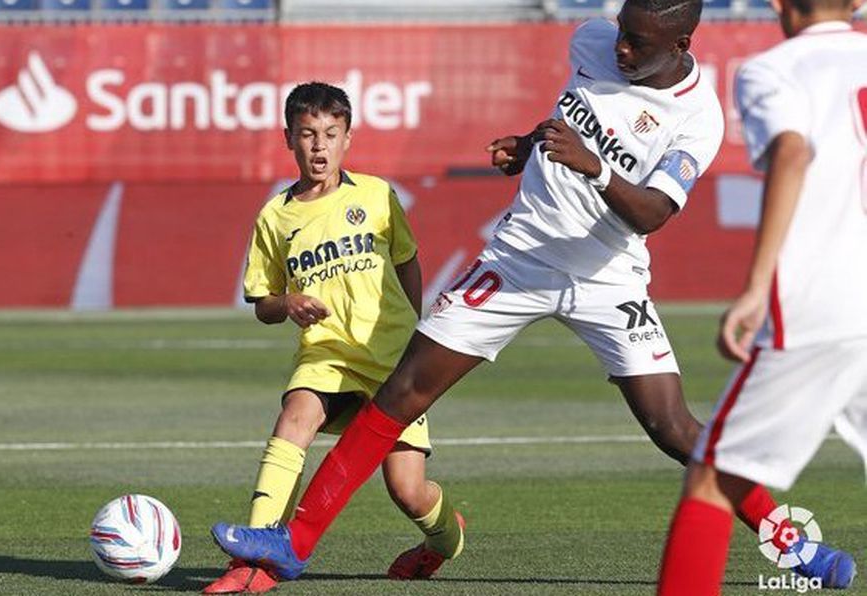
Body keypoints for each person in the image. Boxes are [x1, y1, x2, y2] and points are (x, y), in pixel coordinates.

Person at [209, 0, 851, 583]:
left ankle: (794, 544)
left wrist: (591, 166)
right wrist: (532, 145)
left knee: (672, 425)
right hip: (517, 259)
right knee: (404, 389)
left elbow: (653, 212)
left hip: (607, 276)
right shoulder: (593, 41)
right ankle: (294, 542)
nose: (620, 49)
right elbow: (575, 112)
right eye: (622, 33)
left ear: (681, 43)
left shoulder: (697, 118)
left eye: (638, 43)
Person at [203, 82, 465, 594]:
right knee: (295, 416)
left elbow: (407, 260)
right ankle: (254, 557)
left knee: (408, 491)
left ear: (347, 138)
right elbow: (262, 304)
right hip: (325, 353)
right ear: (288, 139)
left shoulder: (376, 195)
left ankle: (444, 541)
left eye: (330, 134)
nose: (319, 146)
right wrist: (288, 303)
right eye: (307, 135)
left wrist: (412, 332)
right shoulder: (275, 217)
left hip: (390, 360)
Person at [657, 0, 866, 592]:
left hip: (824, 308)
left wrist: (753, 290)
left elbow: (793, 152)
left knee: (711, 481)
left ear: (777, 3)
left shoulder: (774, 69)